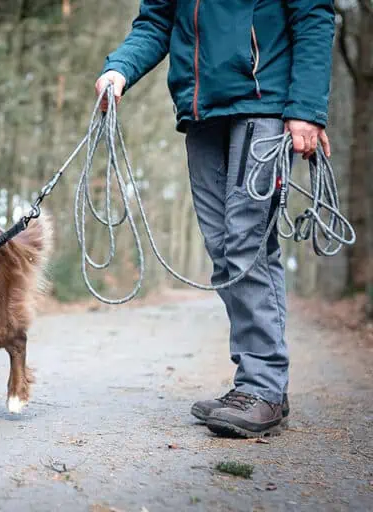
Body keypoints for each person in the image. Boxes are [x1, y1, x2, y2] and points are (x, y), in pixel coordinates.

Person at [95, 1, 335, 437]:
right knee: (225, 251)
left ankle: (262, 387)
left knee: (246, 247)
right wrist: (120, 69)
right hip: (202, 114)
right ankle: (259, 385)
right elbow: (156, 21)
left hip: (266, 107)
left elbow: (313, 14)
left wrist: (307, 108)